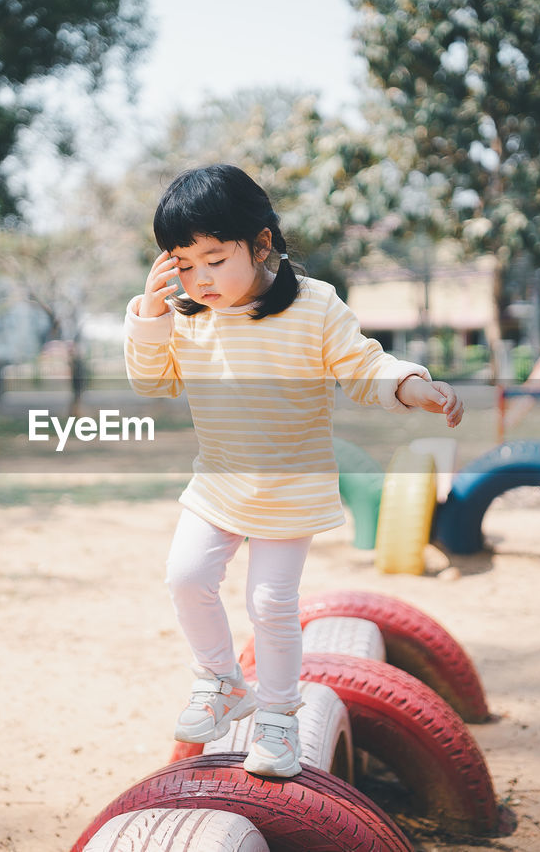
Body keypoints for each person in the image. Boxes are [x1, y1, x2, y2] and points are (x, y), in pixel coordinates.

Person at [124, 163, 463, 778]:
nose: (200, 278)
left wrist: (414, 385)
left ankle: (278, 721)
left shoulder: (312, 307)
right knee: (184, 576)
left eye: (214, 259)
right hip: (218, 481)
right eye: (183, 263)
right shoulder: (188, 316)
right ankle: (221, 681)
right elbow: (152, 380)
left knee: (271, 603)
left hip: (289, 488)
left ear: (261, 244)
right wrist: (150, 316)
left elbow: (364, 367)